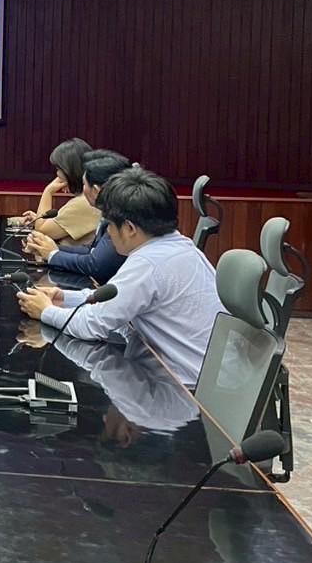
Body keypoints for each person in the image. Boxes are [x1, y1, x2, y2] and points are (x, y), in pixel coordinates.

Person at [14, 167, 223, 387]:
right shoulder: (179, 246)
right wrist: (64, 297)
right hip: (201, 378)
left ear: (130, 228)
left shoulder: (147, 264)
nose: (109, 234)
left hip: (183, 389)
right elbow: (117, 299)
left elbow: (91, 325)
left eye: (110, 226)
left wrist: (46, 311)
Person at [25, 149, 131, 282]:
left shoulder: (121, 218)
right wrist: (47, 249)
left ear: (96, 190)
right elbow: (91, 251)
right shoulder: (113, 212)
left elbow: (95, 265)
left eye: (84, 184)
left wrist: (53, 254)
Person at [22, 137, 99, 246]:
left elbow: (42, 230)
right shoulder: (86, 198)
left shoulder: (83, 202)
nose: (57, 174)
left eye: (59, 169)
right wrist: (39, 220)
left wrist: (48, 191)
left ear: (70, 171)